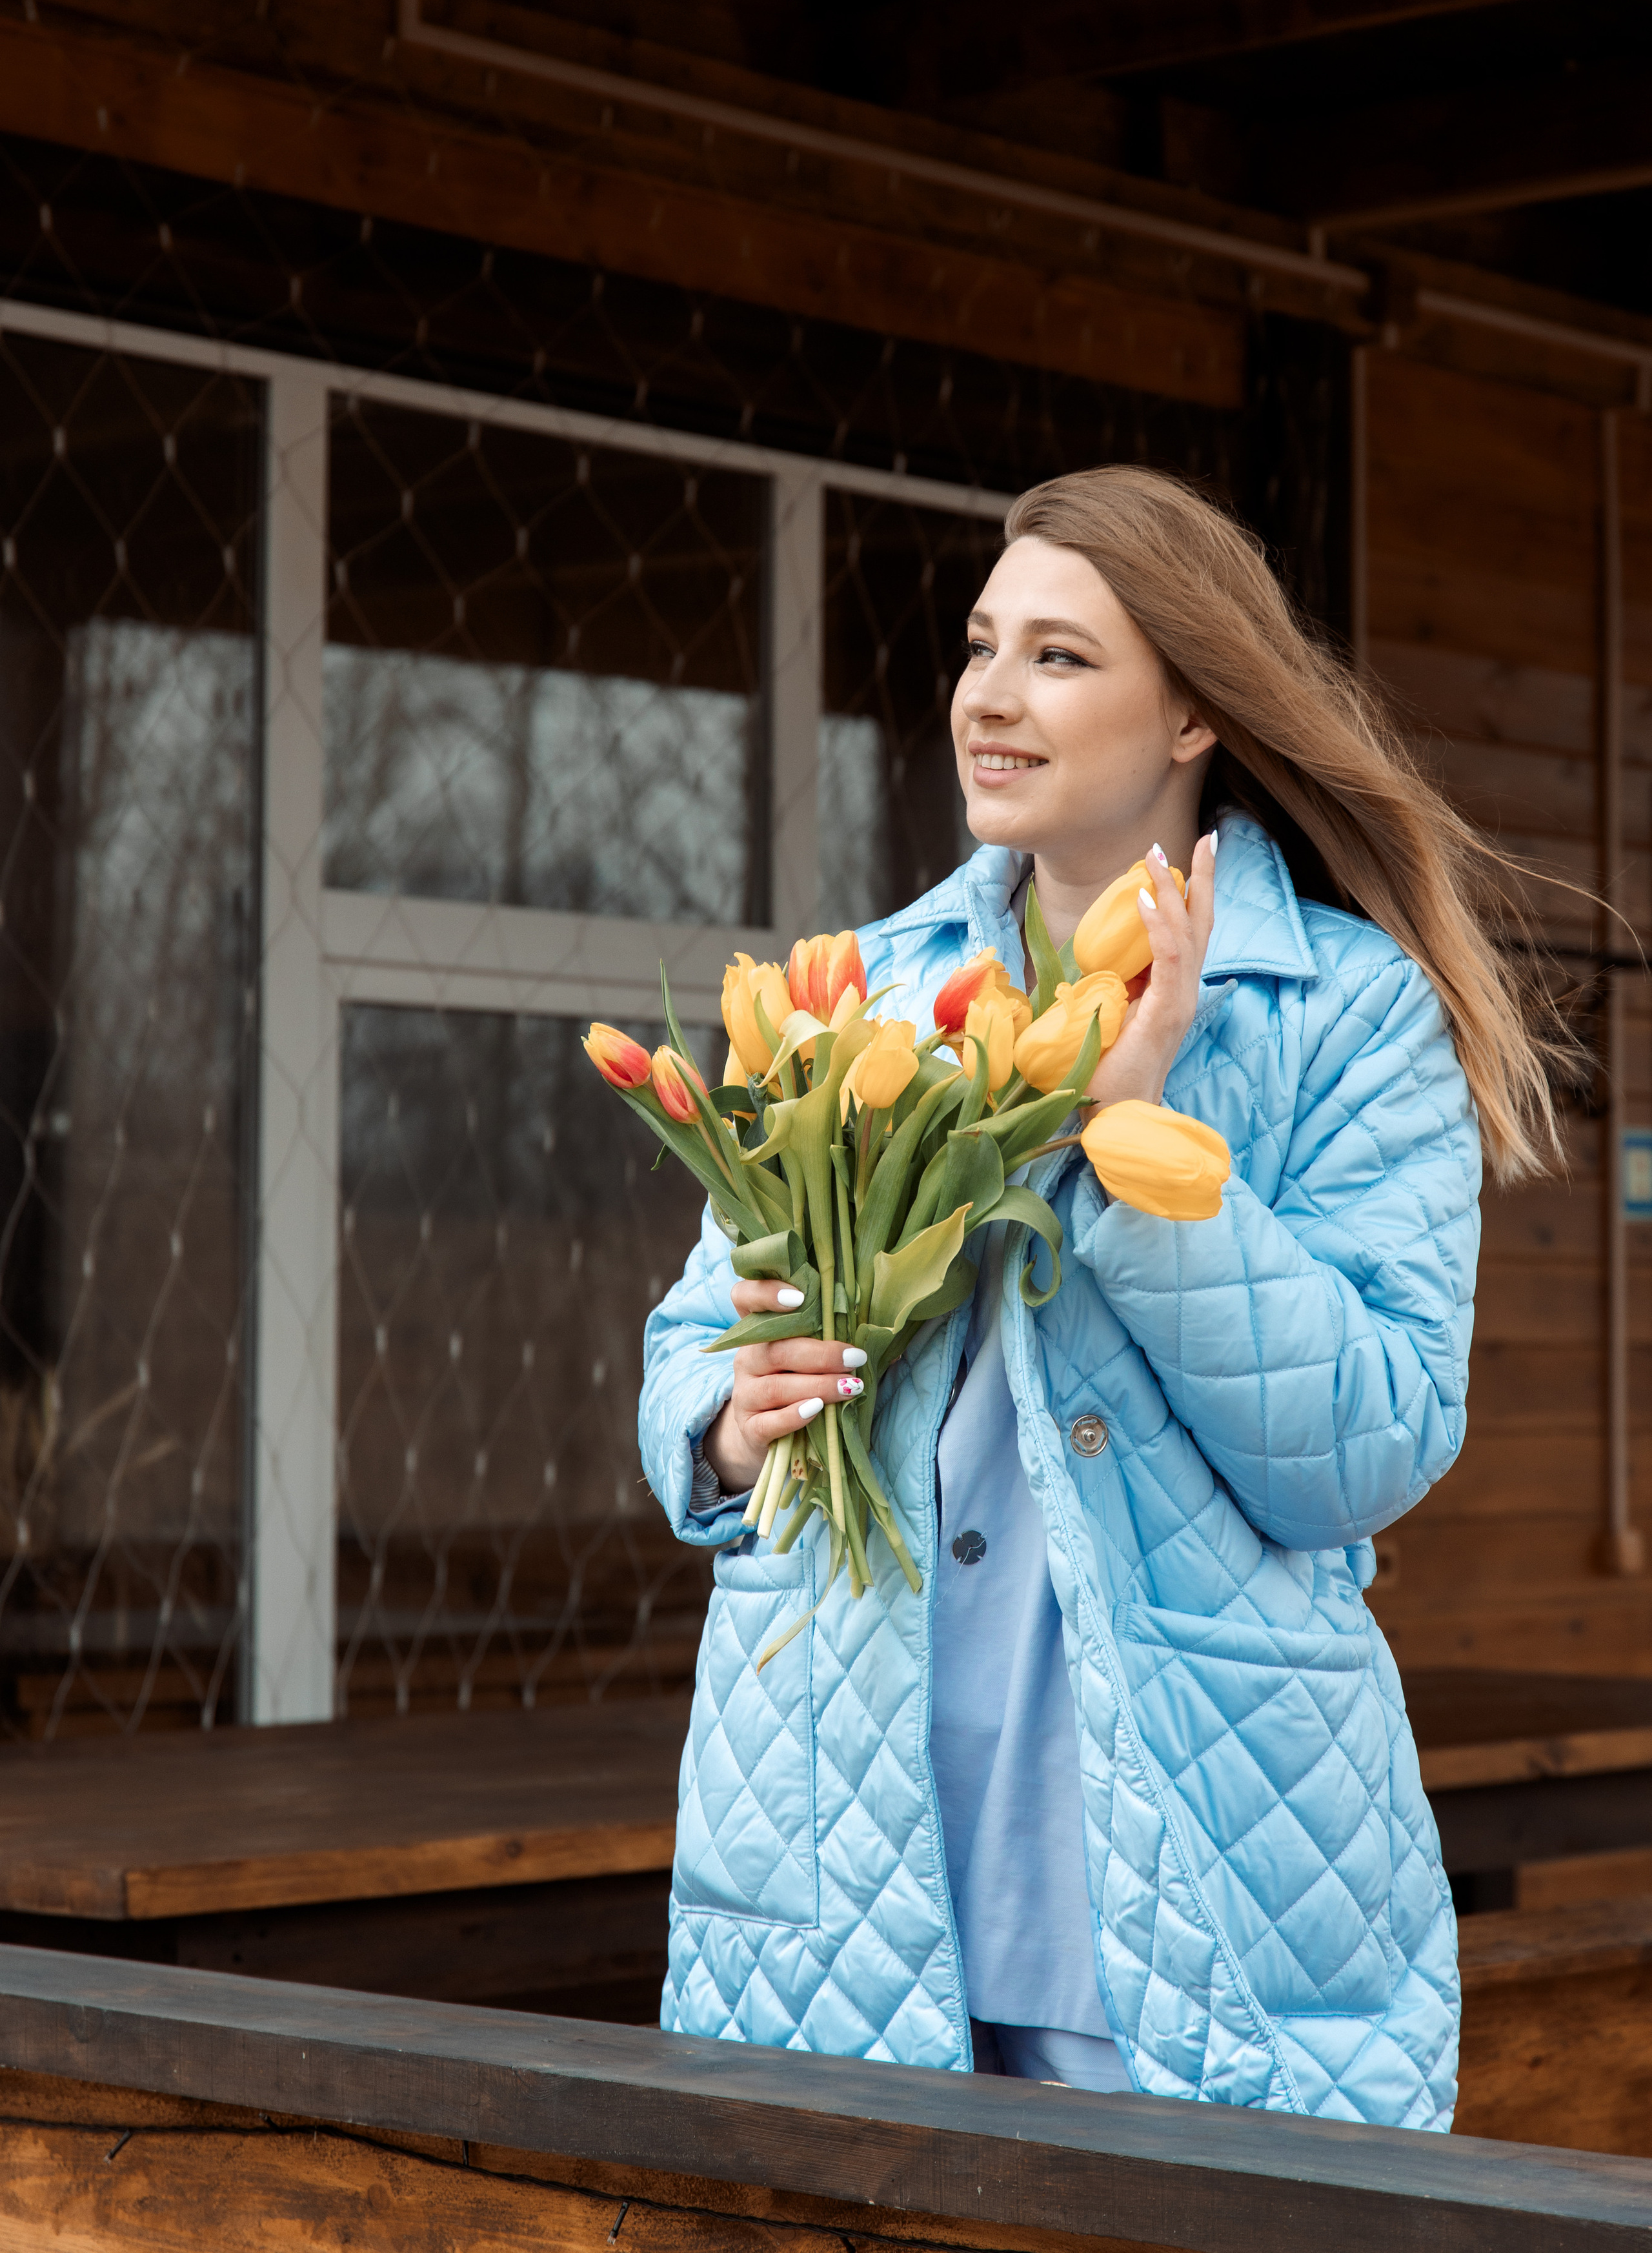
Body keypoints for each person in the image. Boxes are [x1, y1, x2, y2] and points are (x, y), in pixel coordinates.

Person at [638, 465, 1566, 2128]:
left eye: (1060, 659)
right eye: (985, 646)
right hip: (844, 1872)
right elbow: (700, 1331)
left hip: (1207, 1886)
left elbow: (1369, 1444)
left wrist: (1134, 1141)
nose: (992, 695)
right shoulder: (863, 997)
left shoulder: (1347, 1018)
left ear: (1197, 707)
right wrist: (725, 1421)